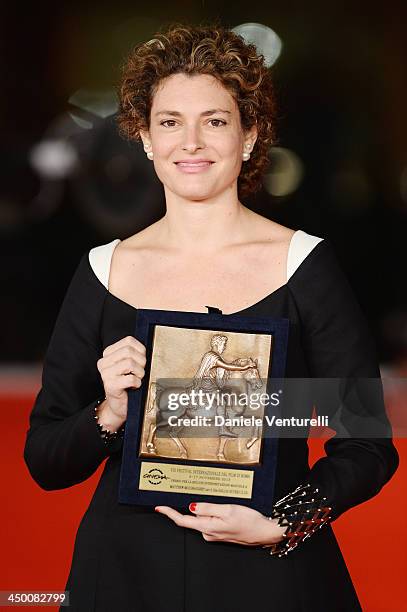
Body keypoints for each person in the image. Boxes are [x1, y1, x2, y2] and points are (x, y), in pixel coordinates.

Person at [23, 23, 399, 612]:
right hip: (123, 574)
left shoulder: (303, 265)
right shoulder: (104, 270)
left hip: (271, 577)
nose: (190, 142)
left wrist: (283, 523)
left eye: (215, 121)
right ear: (144, 138)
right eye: (170, 121)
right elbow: (45, 461)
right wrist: (110, 413)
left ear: (250, 136)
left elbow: (368, 445)